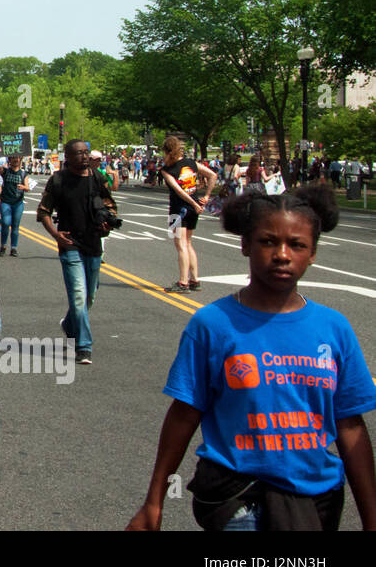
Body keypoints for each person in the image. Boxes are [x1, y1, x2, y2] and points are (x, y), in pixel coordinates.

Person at [127, 184, 376, 531]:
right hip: (239, 496)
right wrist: (154, 501)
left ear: (313, 253)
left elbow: (350, 425)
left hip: (317, 500)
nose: (282, 254)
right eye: (268, 241)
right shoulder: (213, 324)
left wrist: (371, 518)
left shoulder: (335, 328)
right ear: (244, 245)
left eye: (297, 244)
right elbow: (184, 414)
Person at [36, 139, 118, 365]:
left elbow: (110, 203)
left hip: (93, 243)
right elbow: (43, 211)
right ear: (68, 157)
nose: (84, 156)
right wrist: (55, 234)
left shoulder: (96, 177)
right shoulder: (59, 180)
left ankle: (69, 324)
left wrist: (107, 222)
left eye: (86, 152)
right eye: (78, 153)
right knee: (79, 295)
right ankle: (83, 346)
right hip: (69, 243)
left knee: (89, 296)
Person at [160, 136, 218, 293]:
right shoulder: (191, 163)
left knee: (181, 245)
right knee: (189, 243)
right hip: (193, 208)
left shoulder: (167, 170)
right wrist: (206, 196)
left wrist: (194, 203)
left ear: (167, 151)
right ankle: (195, 279)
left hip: (178, 209)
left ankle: (183, 282)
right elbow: (213, 175)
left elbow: (178, 191)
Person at [0, 153, 32, 257]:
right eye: (13, 158)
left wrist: (23, 187)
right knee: (6, 223)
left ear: (20, 159)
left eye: (17, 158)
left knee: (15, 226)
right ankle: (3, 246)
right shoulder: (5, 171)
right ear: (9, 160)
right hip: (6, 202)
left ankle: (14, 248)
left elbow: (28, 188)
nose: (16, 160)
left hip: (18, 203)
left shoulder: (23, 174)